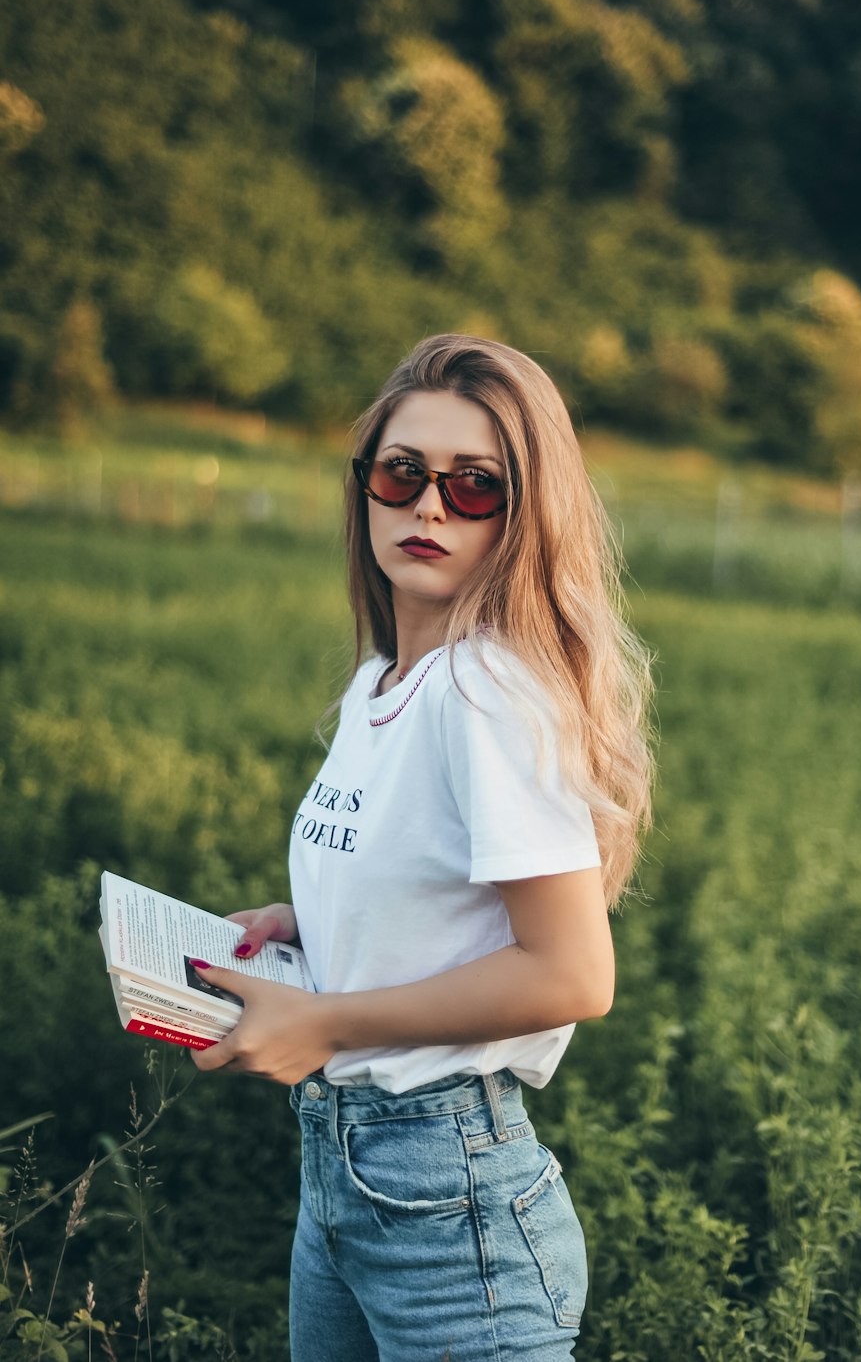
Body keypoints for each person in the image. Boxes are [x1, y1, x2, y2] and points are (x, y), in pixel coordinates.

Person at [190, 334, 654, 1361]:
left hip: (450, 1202)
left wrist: (326, 1020)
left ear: (523, 513)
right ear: (365, 490)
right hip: (345, 1177)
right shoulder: (386, 684)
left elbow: (572, 971)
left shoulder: (487, 690)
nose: (429, 506)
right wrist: (303, 923)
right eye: (402, 473)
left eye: (474, 485)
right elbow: (435, 884)